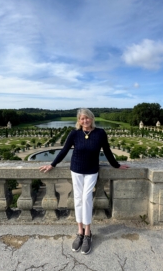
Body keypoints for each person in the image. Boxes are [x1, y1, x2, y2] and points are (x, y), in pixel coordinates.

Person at [39, 108, 129, 255]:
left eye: (87, 118)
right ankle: (79, 231)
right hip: (76, 169)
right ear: (79, 121)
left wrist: (117, 165)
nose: (85, 121)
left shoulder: (100, 133)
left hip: (92, 170)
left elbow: (107, 151)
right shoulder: (74, 134)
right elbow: (64, 150)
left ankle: (88, 233)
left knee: (86, 198)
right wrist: (52, 164)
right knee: (78, 199)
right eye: (82, 119)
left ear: (92, 118)